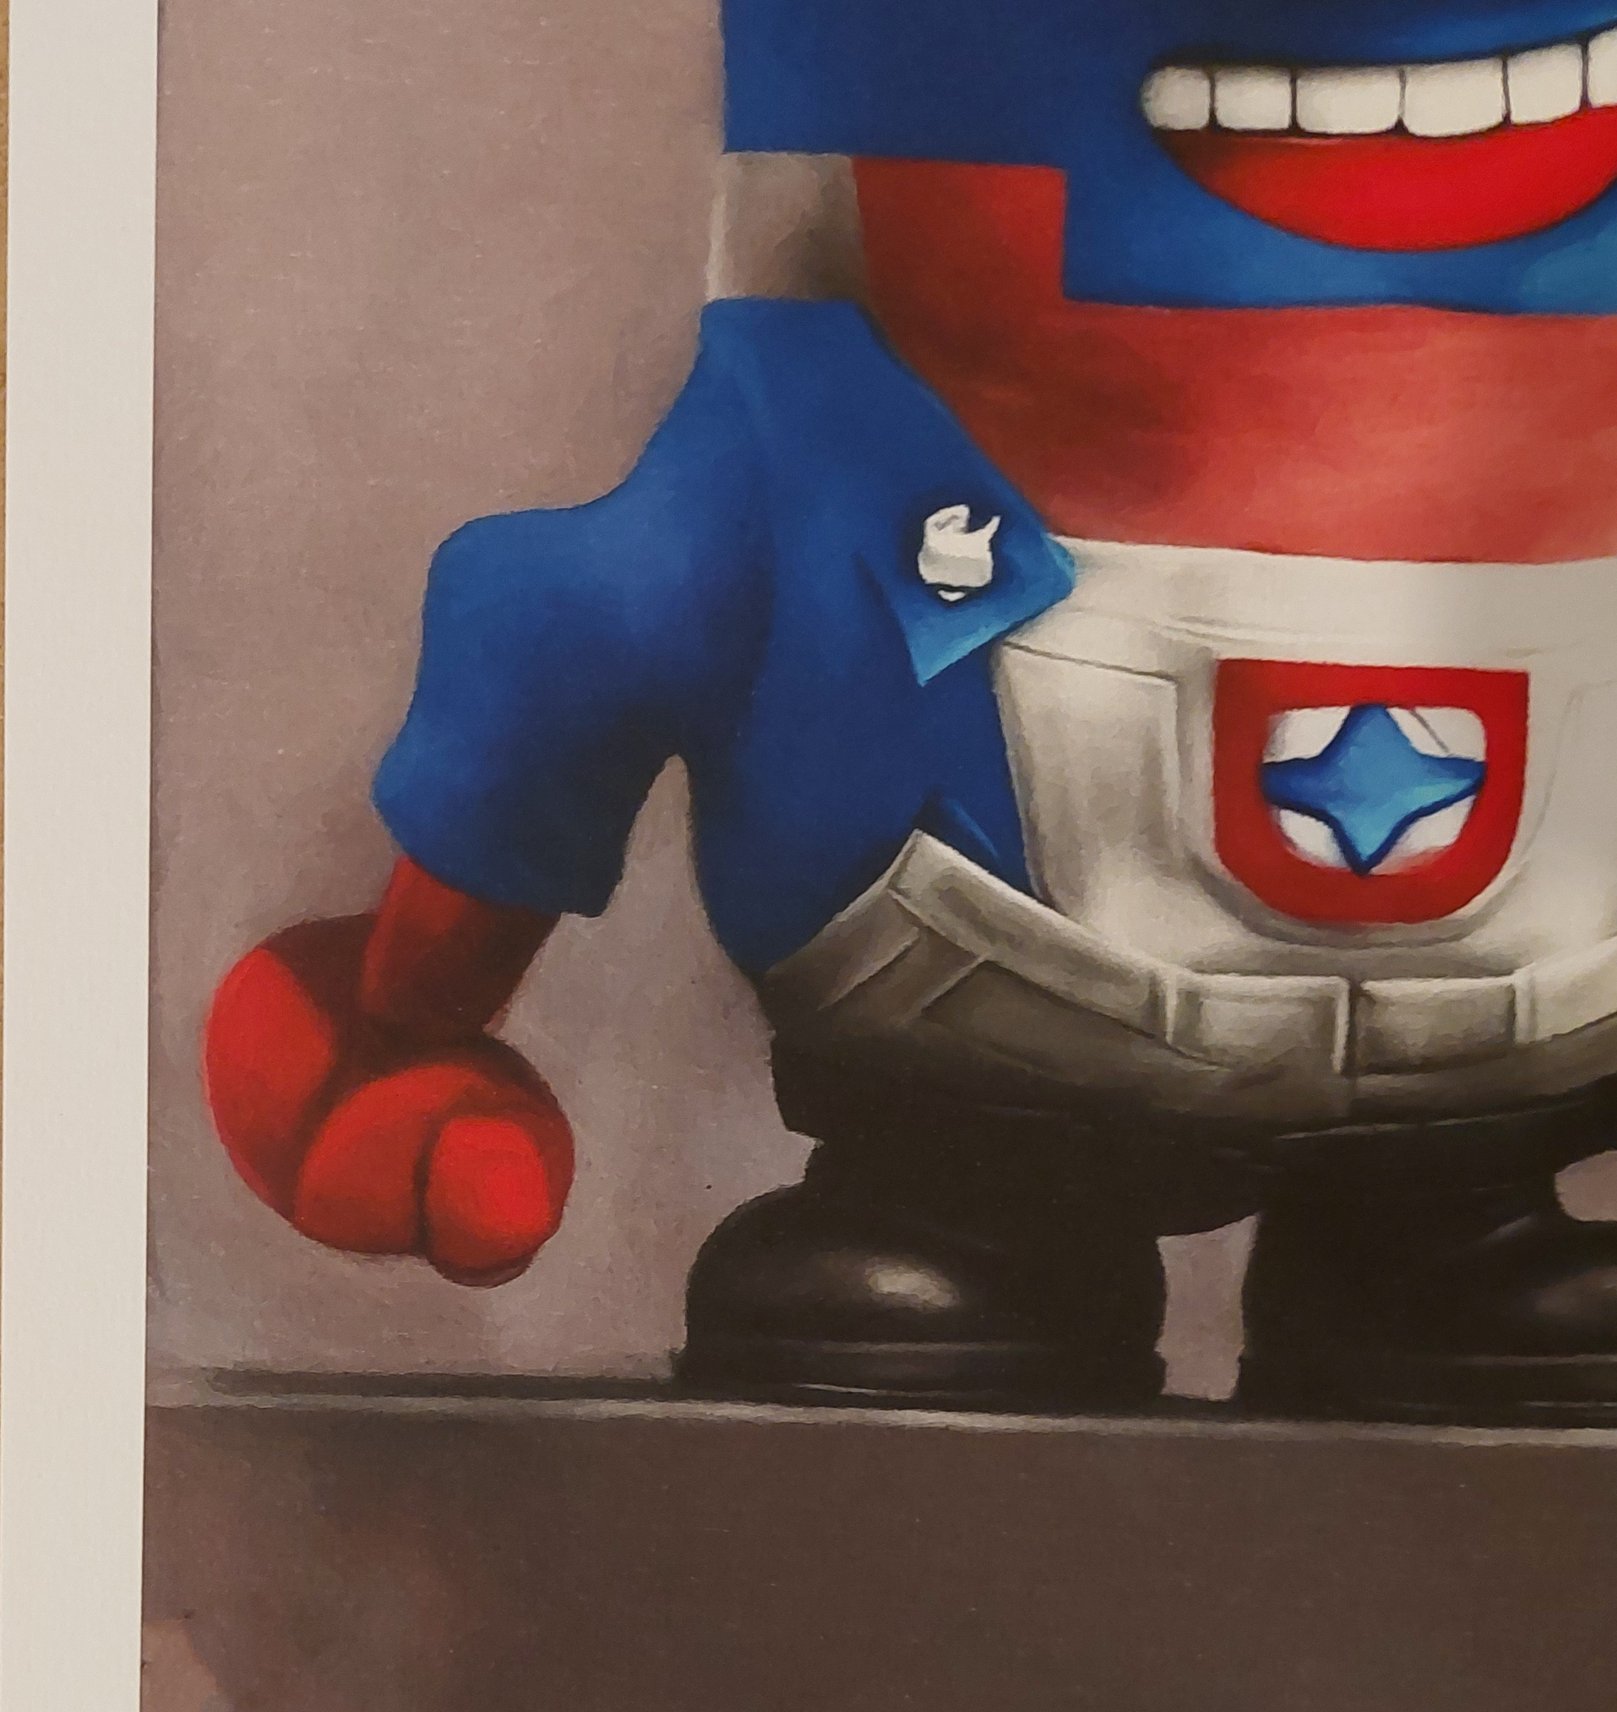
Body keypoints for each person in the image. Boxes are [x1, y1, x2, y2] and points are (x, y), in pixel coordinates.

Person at [206, 1, 1617, 1421]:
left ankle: (1442, 1250)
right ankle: (985, 1232)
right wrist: (405, 1008)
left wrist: (403, 1014)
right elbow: (592, 616)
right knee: (927, 1342)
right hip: (976, 1058)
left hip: (1500, 1054)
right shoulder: (813, 415)